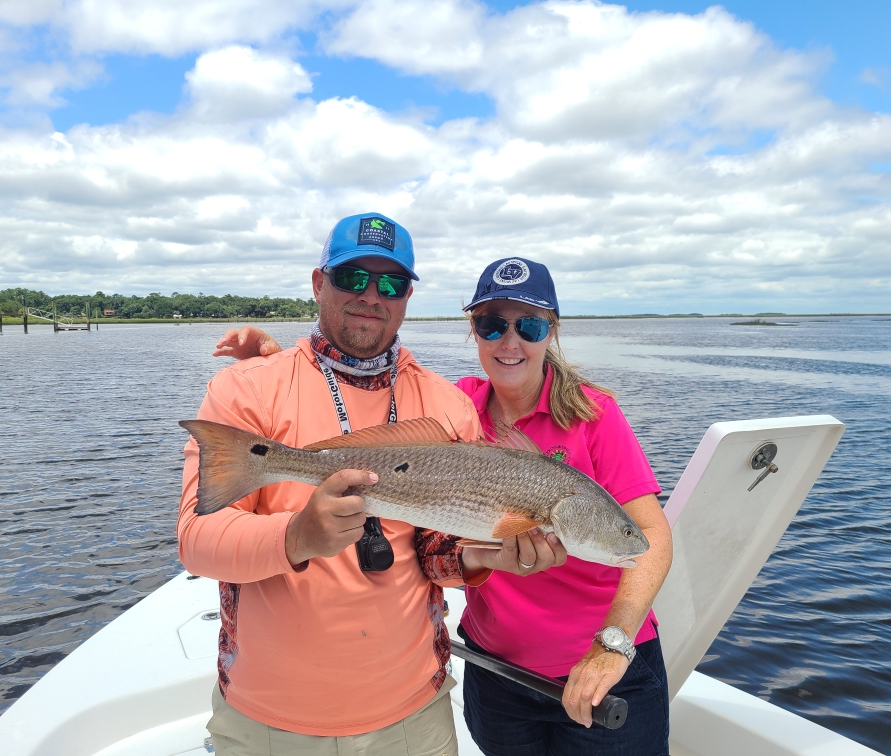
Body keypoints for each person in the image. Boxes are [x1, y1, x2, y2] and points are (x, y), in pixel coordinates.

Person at [219, 257, 672, 755]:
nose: (510, 341)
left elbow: (651, 539)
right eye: (492, 324)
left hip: (601, 666)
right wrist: (280, 362)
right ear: (473, 329)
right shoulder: (456, 405)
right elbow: (382, 438)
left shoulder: (595, 414)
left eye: (531, 325)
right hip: (496, 665)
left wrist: (613, 645)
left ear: (552, 331)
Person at [180, 216, 566, 756]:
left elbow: (436, 554)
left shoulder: (446, 406)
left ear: (407, 296)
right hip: (267, 721)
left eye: (391, 284)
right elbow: (197, 543)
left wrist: (486, 557)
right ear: (319, 283)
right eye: (352, 277)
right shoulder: (246, 389)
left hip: (412, 718)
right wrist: (297, 537)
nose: (371, 295)